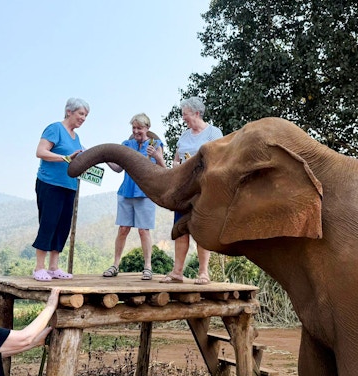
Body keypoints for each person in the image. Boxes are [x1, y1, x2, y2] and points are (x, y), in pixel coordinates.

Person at [160, 97, 223, 285]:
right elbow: (176, 161)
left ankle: (203, 273)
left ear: (196, 113)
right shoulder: (184, 137)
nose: (183, 118)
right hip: (184, 190)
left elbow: (219, 160)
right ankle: (177, 272)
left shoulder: (214, 133)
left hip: (204, 190)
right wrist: (177, 166)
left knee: (201, 230)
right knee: (180, 228)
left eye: (185, 114)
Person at [32, 98, 90, 281]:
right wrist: (65, 158)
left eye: (86, 115)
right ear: (69, 112)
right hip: (50, 184)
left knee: (62, 225)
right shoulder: (55, 128)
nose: (83, 118)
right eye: (81, 114)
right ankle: (39, 268)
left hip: (69, 185)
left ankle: (53, 267)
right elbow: (41, 152)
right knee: (49, 222)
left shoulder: (77, 137)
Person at [102, 113, 166, 280]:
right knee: (123, 229)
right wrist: (105, 157)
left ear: (147, 128)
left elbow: (164, 169)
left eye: (140, 127)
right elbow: (118, 168)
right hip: (126, 192)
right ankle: (115, 265)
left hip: (145, 194)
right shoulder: (126, 145)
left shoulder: (156, 144)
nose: (137, 130)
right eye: (134, 127)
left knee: (143, 231)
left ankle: (147, 267)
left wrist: (157, 156)